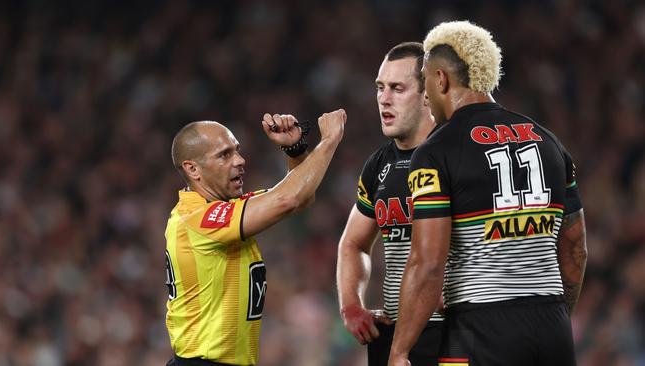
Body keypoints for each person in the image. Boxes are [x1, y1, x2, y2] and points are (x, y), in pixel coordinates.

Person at [388, 21, 587, 366]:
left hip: (480, 329)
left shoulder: (435, 153)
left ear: (441, 79)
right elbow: (575, 249)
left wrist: (400, 350)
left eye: (425, 81)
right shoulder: (550, 143)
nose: (424, 95)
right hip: (553, 326)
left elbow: (428, 264)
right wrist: (555, 313)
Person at [164, 109, 346, 366]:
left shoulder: (226, 209)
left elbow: (301, 198)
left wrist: (295, 150)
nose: (239, 160)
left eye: (236, 150)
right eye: (225, 154)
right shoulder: (197, 219)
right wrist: (329, 141)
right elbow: (288, 199)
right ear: (193, 169)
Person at [336, 42, 441, 366]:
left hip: (455, 332)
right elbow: (353, 244)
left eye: (397, 88)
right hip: (395, 333)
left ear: (428, 94)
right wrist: (351, 305)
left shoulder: (458, 152)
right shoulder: (378, 165)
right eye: (380, 88)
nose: (384, 98)